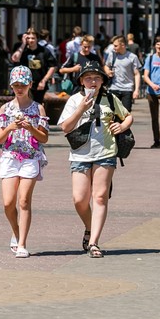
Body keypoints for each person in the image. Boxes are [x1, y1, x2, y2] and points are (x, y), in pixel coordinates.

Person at [60, 61, 133, 258]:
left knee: (99, 197)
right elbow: (65, 127)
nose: (93, 81)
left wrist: (123, 126)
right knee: (79, 199)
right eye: (88, 78)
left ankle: (94, 243)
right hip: (80, 154)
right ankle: (89, 226)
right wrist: (81, 110)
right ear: (82, 81)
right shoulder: (75, 100)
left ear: (102, 80)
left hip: (106, 152)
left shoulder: (109, 98)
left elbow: (127, 116)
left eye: (97, 78)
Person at [0, 66, 49, 258]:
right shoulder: (5, 108)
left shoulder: (37, 108)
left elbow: (44, 138)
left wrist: (31, 127)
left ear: (30, 84)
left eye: (23, 84)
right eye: (15, 85)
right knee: (8, 203)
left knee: (23, 200)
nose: (19, 88)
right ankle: (16, 233)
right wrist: (10, 127)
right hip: (9, 156)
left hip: (31, 157)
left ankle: (22, 244)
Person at [11, 28, 58, 102]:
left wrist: (44, 80)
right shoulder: (22, 50)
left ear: (37, 39)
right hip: (24, 84)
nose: (30, 40)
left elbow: (53, 66)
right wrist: (23, 43)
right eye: (28, 38)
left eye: (33, 38)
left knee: (36, 106)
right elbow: (15, 58)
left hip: (39, 84)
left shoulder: (44, 51)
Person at [104, 34, 141, 111]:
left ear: (123, 45)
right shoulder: (112, 55)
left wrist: (136, 90)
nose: (114, 48)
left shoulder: (132, 57)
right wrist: (108, 71)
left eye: (116, 46)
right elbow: (106, 66)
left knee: (125, 113)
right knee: (113, 113)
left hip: (127, 89)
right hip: (114, 88)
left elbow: (137, 74)